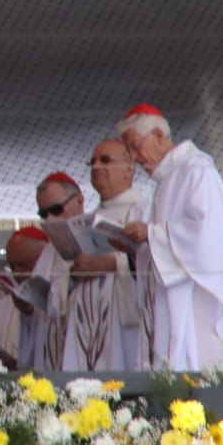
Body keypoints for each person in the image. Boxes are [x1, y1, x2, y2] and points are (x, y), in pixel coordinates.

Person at [117, 103, 223, 371]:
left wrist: (149, 233)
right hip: (169, 298)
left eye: (135, 146)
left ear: (158, 136)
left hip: (197, 301)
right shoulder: (167, 181)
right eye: (129, 151)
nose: (134, 158)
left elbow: (205, 236)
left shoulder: (197, 171)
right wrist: (136, 246)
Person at [61, 140, 150, 371]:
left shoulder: (145, 210)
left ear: (129, 168)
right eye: (92, 161)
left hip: (125, 324)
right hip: (86, 320)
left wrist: (111, 263)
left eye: (105, 160)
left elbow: (160, 260)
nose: (97, 166)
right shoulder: (87, 220)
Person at [34, 171, 86, 370]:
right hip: (55, 345)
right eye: (43, 214)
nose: (50, 218)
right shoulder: (49, 250)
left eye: (56, 210)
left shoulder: (95, 236)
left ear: (79, 200)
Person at [4, 226, 48, 369]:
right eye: (12, 266)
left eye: (23, 264)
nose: (17, 273)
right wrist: (27, 313)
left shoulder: (63, 291)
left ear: (44, 258)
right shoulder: (21, 300)